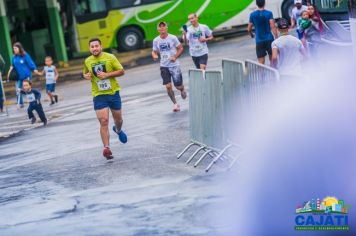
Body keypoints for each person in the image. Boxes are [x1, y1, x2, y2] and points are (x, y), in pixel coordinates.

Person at [83, 38, 127, 160]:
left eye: (96, 46)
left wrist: (107, 74)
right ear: (89, 48)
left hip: (113, 93)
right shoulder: (87, 61)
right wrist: (85, 76)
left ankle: (118, 130)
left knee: (118, 119)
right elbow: (85, 73)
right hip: (98, 95)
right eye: (92, 47)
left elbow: (122, 71)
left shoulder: (110, 57)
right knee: (104, 121)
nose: (94, 48)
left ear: (101, 46)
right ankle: (106, 148)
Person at [152, 21, 187, 112]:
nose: (162, 28)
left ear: (166, 28)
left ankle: (182, 89)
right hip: (164, 65)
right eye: (160, 27)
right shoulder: (156, 40)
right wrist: (154, 55)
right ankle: (175, 104)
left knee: (178, 86)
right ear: (158, 29)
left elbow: (180, 48)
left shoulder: (172, 38)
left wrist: (175, 57)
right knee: (168, 86)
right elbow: (154, 51)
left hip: (174, 65)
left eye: (164, 27)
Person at [7, 42, 40, 108]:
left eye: (16, 48)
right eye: (13, 48)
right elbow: (12, 66)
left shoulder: (25, 55)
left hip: (27, 75)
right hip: (19, 77)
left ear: (19, 48)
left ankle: (33, 100)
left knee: (28, 89)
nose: (14, 50)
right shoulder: (13, 57)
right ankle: (20, 103)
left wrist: (34, 69)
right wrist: (9, 74)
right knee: (18, 90)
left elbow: (30, 63)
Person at [247, 0, 278, 65]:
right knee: (272, 59)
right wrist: (276, 38)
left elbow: (249, 29)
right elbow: (273, 26)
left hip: (259, 40)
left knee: (261, 63)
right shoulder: (269, 13)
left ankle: (262, 75)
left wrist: (251, 34)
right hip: (269, 39)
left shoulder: (252, 15)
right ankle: (274, 74)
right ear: (264, 3)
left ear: (256, 4)